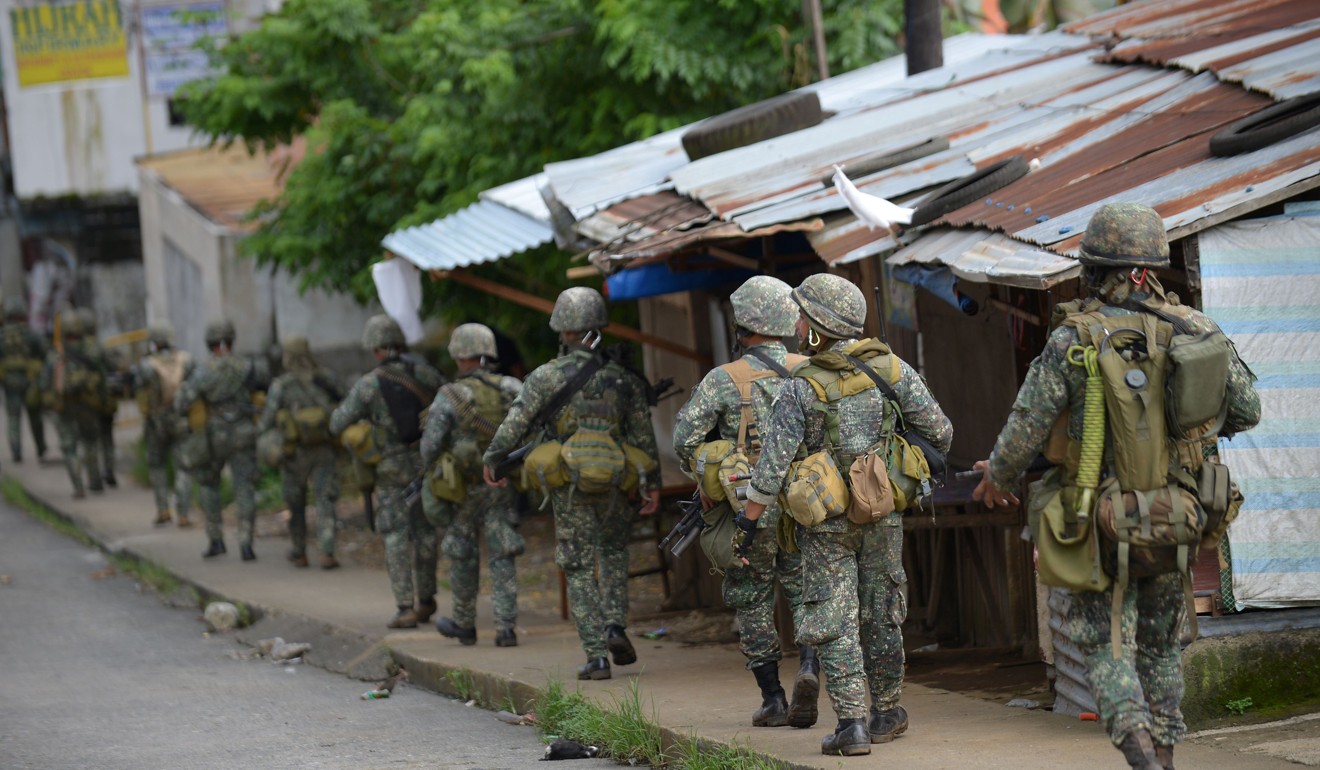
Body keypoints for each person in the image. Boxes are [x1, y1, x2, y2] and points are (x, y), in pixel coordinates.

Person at [972, 202, 1261, 770]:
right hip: (1178, 513)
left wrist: (997, 479)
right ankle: (1167, 759)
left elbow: (1024, 429)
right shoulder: (1196, 329)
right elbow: (1247, 410)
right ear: (1152, 265)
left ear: (1094, 267)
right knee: (1160, 648)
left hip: (1093, 519)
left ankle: (1141, 757)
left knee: (1107, 647)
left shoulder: (1073, 338)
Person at [738, 273, 952, 756]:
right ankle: (887, 712)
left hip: (826, 521)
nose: (795, 325)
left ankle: (851, 724)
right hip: (882, 512)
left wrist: (748, 521)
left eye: (801, 317)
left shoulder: (800, 388)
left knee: (832, 618)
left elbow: (771, 469)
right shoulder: (891, 370)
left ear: (818, 328)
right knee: (881, 610)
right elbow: (941, 432)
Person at [483, 287, 661, 681]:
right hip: (617, 479)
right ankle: (615, 625)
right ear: (598, 325)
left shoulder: (546, 376)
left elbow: (515, 425)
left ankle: (596, 656)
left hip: (571, 485)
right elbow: (643, 438)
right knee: (614, 552)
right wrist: (653, 487)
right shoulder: (625, 378)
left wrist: (493, 460)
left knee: (577, 564)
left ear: (561, 328)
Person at [672, 276, 819, 729]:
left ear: (744, 325)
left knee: (752, 599)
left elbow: (684, 441)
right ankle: (811, 668)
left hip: (744, 507)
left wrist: (709, 471)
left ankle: (773, 698)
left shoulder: (723, 380)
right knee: (807, 592)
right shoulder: (810, 369)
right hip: (804, 502)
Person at [329, 315, 444, 629]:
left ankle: (405, 606)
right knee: (425, 533)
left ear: (376, 349)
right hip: (426, 465)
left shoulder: (369, 384)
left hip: (392, 471)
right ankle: (427, 600)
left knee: (395, 535)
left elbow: (338, 422)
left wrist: (366, 427)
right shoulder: (426, 374)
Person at [422, 323, 523, 647]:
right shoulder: (512, 386)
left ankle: (464, 623)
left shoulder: (451, 395)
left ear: (459, 354)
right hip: (501, 481)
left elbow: (429, 446)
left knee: (462, 551)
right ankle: (506, 627)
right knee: (502, 549)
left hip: (462, 487)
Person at [176, 320, 270, 561]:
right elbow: (266, 388)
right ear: (231, 340)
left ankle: (216, 540)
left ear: (210, 343)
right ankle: (247, 545)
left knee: (209, 485)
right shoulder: (249, 367)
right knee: (245, 488)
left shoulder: (203, 370)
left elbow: (182, 402)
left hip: (213, 436)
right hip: (244, 432)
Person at [258, 336, 344, 569]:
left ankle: (299, 551)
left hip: (294, 452)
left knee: (295, 502)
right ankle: (327, 551)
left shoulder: (281, 385)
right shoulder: (327, 378)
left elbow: (266, 422)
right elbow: (343, 404)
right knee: (325, 499)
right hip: (324, 449)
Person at [133, 322, 196, 527]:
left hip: (156, 423)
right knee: (183, 468)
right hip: (181, 420)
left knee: (157, 465)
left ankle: (163, 510)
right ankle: (184, 513)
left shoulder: (146, 365)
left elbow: (139, 389)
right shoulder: (186, 360)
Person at [41, 308, 108, 499]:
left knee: (69, 447)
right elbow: (102, 376)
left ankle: (78, 486)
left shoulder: (56, 354)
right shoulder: (91, 349)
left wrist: (49, 403)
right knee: (90, 442)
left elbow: (45, 382)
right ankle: (95, 482)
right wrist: (103, 401)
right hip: (88, 404)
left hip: (64, 406)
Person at [0, 295, 48, 463]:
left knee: (13, 417)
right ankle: (41, 448)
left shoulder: (2, 336)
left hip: (9, 381)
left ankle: (16, 452)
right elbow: (44, 354)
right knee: (35, 416)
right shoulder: (30, 335)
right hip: (29, 381)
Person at [77, 308, 119, 488]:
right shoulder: (102, 347)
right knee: (107, 437)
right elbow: (114, 366)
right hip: (104, 399)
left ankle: (94, 480)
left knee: (89, 440)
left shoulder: (76, 349)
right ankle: (109, 470)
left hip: (85, 401)